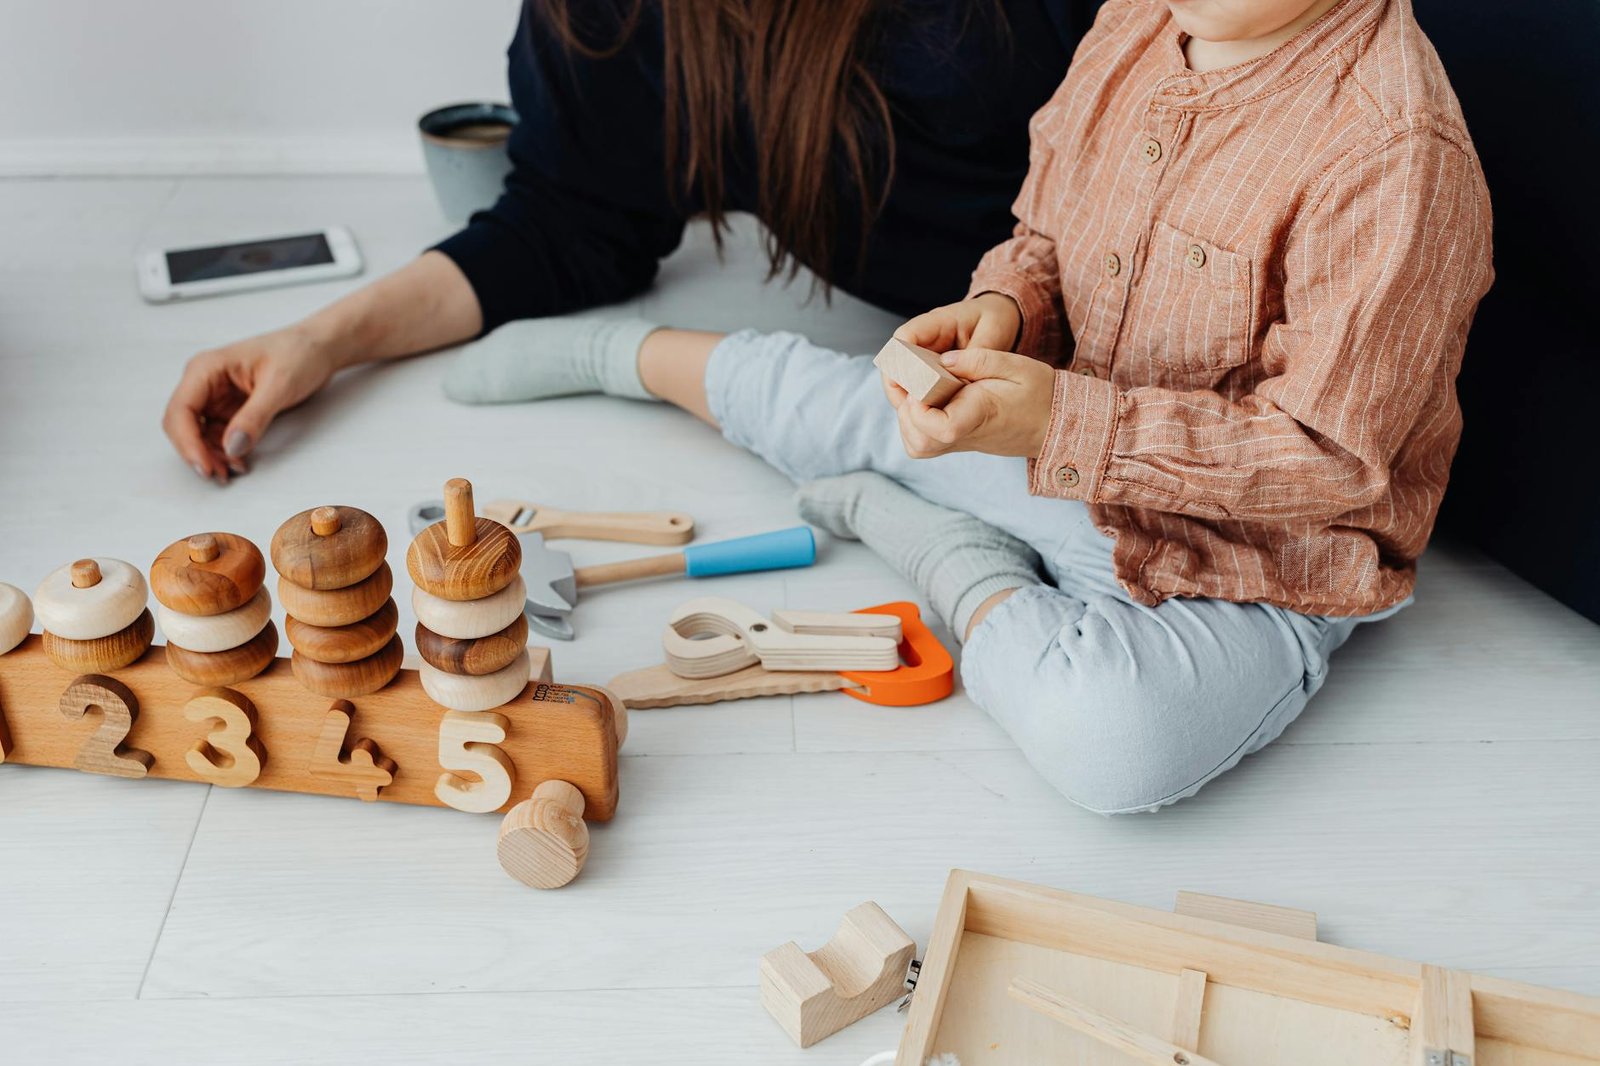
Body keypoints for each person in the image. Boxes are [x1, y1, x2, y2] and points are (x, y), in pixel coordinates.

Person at [451, 0, 1494, 813]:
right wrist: (1002, 306)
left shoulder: (1393, 153)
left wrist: (1057, 426)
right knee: (873, 401)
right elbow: (1043, 231)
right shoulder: (1137, 24)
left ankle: (940, 547)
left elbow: (1326, 458)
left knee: (1111, 740)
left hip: (1255, 565)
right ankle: (623, 352)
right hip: (1073, 451)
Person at [161, 0, 1091, 481]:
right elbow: (566, 219)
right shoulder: (616, 19)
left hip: (1154, 357)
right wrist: (323, 340)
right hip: (958, 390)